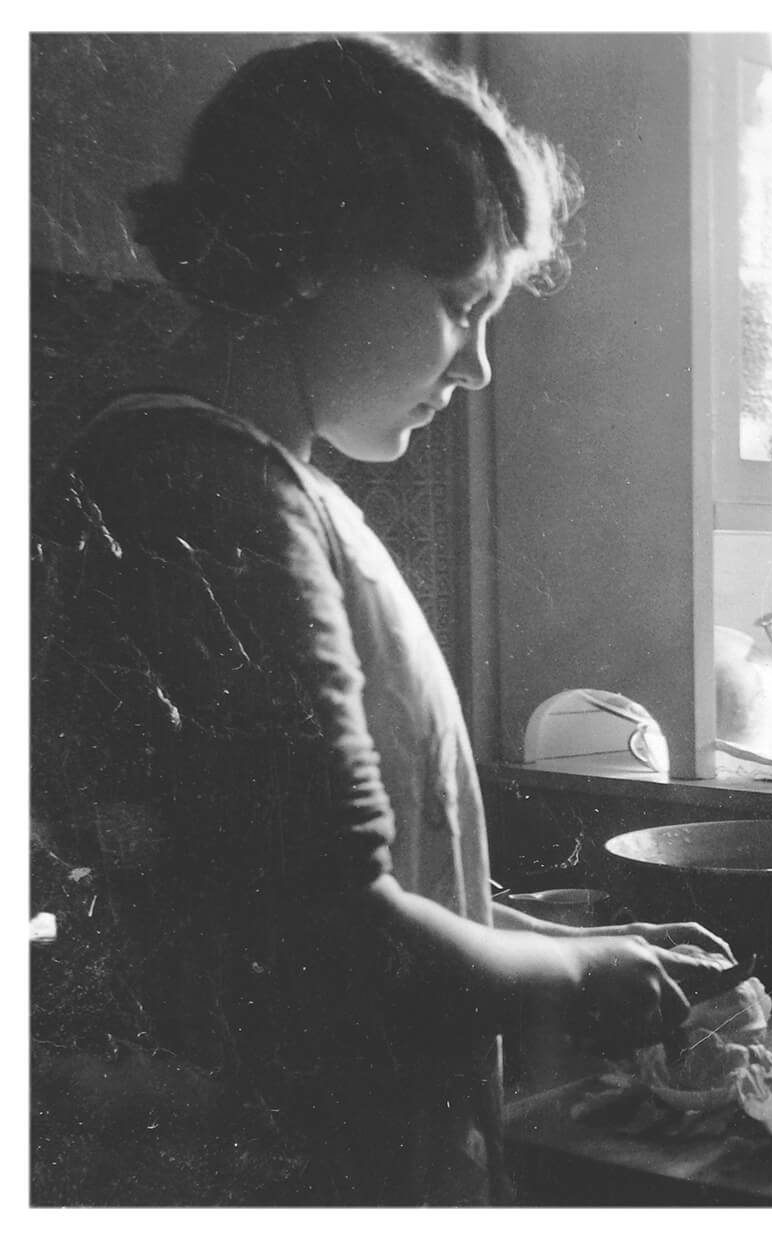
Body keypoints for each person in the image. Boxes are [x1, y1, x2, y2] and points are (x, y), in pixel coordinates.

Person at [30, 35, 734, 1207]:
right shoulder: (207, 488)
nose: (481, 369)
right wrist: (584, 978)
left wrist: (543, 934)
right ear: (315, 254)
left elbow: (295, 871)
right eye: (464, 308)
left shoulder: (267, 486)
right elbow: (330, 939)